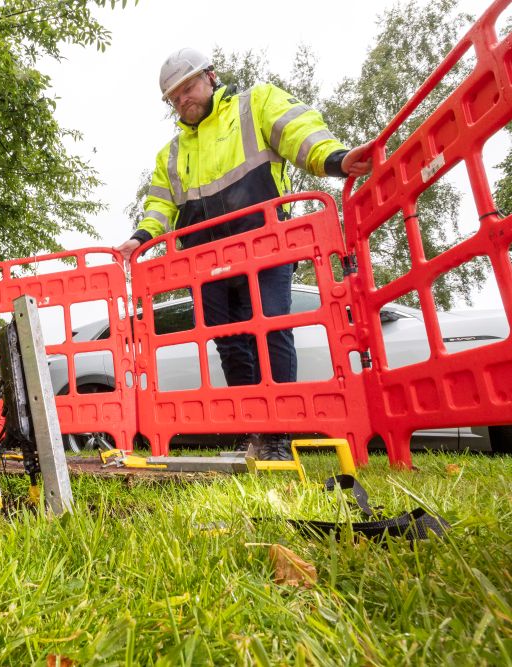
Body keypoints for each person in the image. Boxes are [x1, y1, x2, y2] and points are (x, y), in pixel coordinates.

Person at [115, 48, 372, 461]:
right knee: (229, 344)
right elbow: (160, 204)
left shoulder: (256, 104)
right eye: (174, 97)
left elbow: (299, 131)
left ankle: (277, 435)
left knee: (272, 330)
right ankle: (251, 431)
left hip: (264, 246)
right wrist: (141, 236)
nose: (183, 99)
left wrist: (335, 159)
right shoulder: (171, 154)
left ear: (210, 76)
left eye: (187, 87)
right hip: (206, 262)